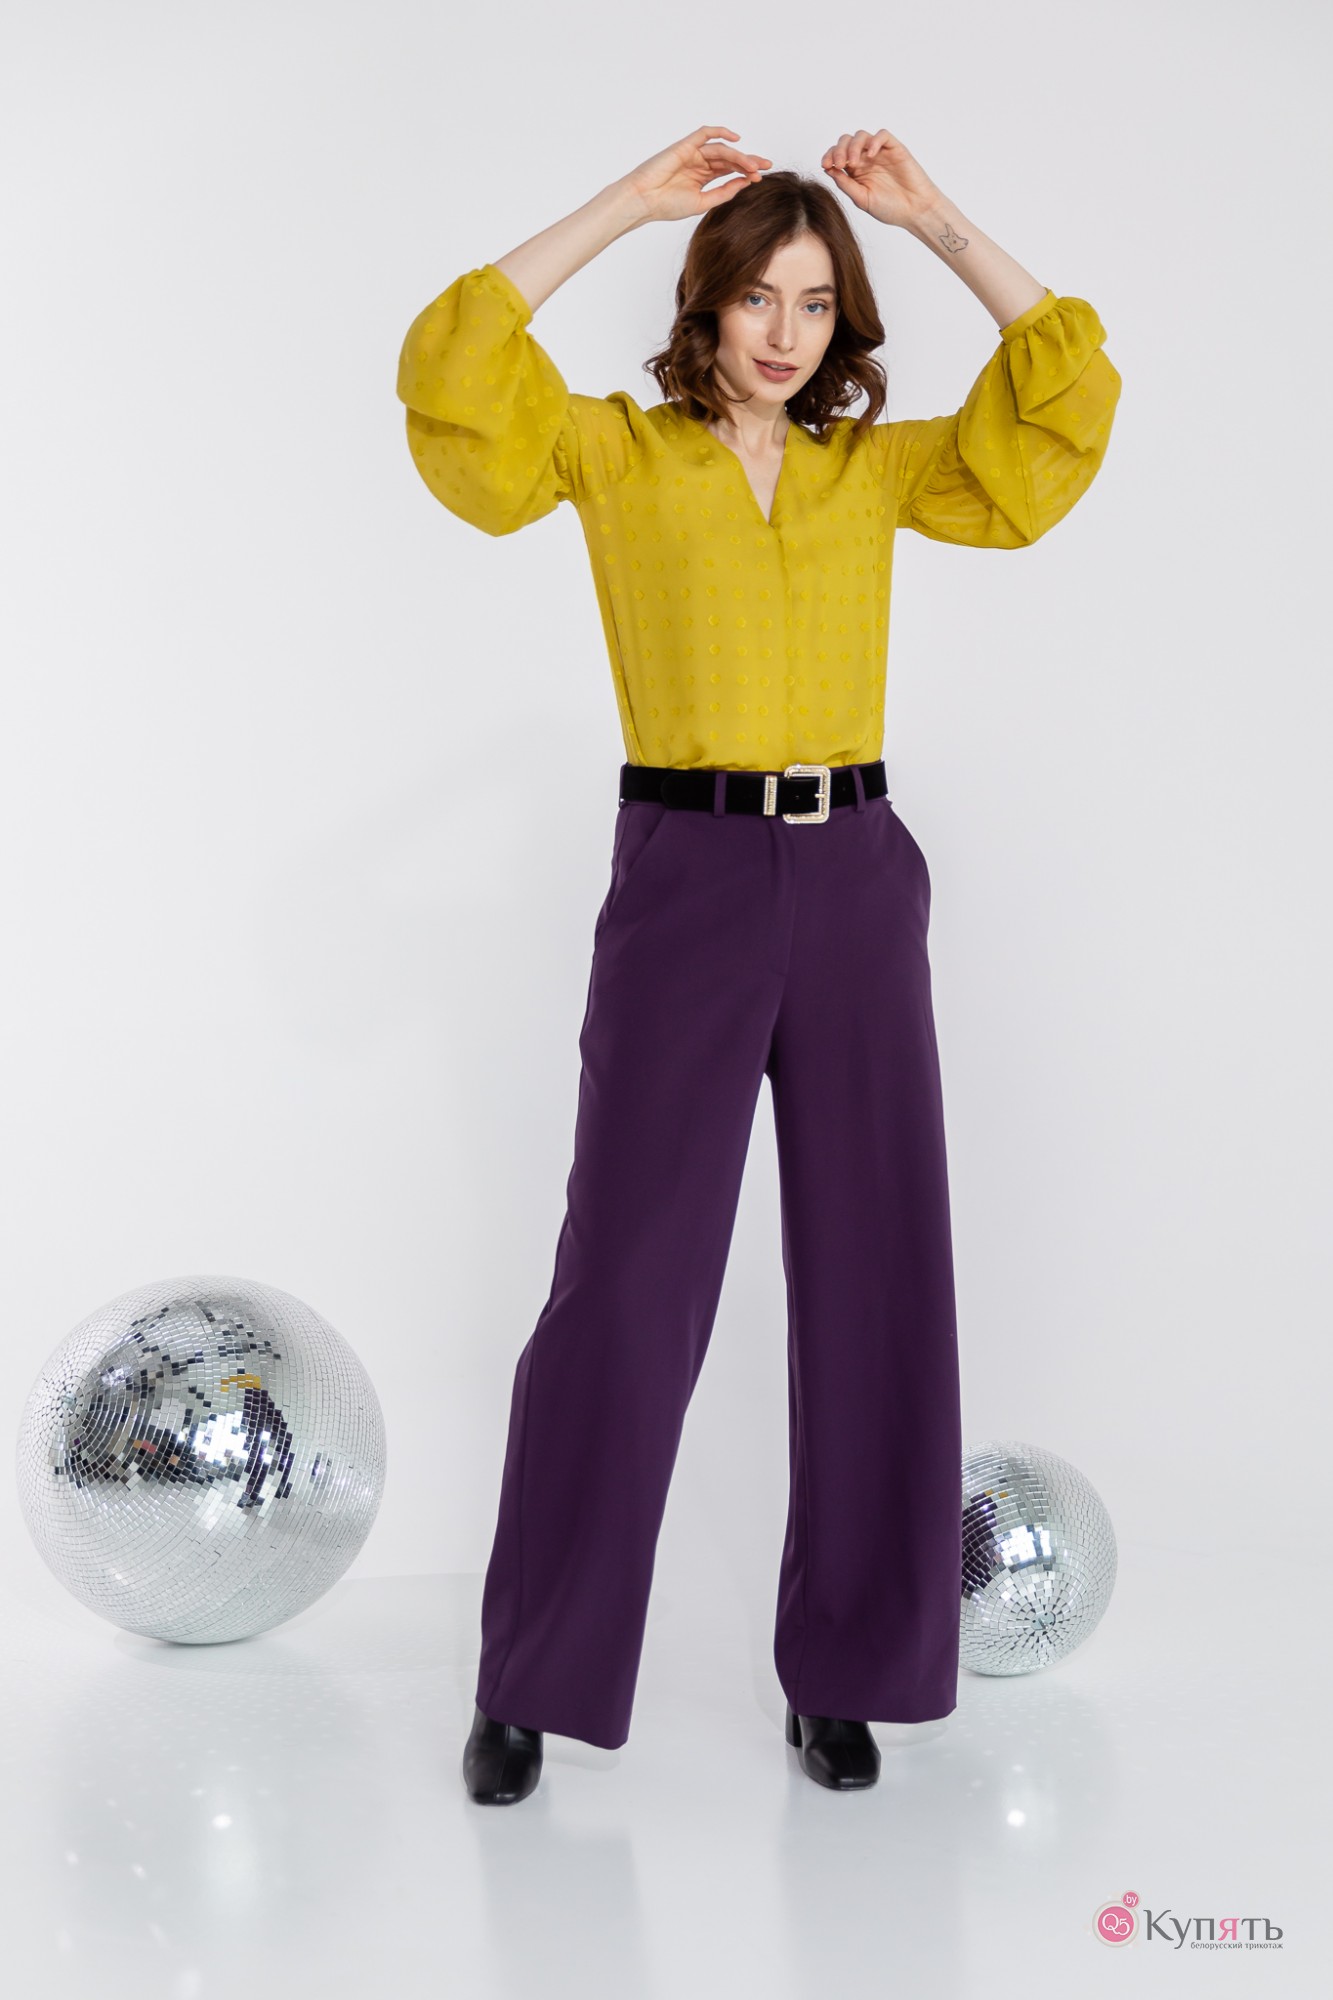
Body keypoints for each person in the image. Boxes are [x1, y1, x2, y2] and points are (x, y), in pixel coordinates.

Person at [395, 125, 1121, 1804]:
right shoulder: (615, 453)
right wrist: (625, 203)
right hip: (688, 876)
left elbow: (1062, 405)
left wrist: (933, 218)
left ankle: (845, 1669)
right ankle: (531, 1677)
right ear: (705, 305)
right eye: (755, 299)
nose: (784, 333)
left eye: (813, 303)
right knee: (624, 1284)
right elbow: (454, 369)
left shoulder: (879, 471)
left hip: (857, 877)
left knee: (877, 1271)